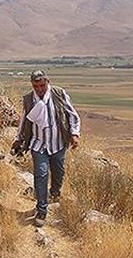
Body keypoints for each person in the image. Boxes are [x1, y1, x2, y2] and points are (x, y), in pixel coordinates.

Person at [11, 70, 81, 227]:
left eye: (42, 85)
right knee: (41, 174)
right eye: (36, 86)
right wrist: (19, 139)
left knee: (59, 171)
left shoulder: (59, 94)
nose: (40, 89)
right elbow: (25, 120)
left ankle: (55, 192)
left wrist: (74, 134)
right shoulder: (29, 99)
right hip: (38, 144)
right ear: (32, 85)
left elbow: (72, 115)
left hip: (58, 143)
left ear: (48, 82)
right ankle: (41, 209)